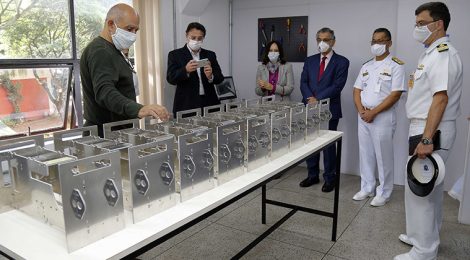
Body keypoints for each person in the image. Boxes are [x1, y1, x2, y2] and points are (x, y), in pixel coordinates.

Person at [394, 2, 463, 260]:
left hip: (431, 129)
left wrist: (426, 138)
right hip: (423, 126)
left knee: (422, 191)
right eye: (416, 23)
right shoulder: (430, 54)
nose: (417, 28)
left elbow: (440, 99)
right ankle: (419, 236)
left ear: (439, 24)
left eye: (421, 23)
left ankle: (424, 250)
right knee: (424, 188)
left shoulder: (443, 53)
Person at [80, 3, 169, 137]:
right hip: (104, 134)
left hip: (117, 130)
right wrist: (139, 109)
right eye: (129, 29)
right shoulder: (101, 51)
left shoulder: (114, 50)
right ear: (111, 24)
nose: (133, 35)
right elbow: (105, 92)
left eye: (136, 30)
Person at [352, 28, 406, 206]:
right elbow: (357, 90)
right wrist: (361, 111)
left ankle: (384, 192)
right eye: (374, 41)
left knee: (383, 156)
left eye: (381, 41)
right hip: (363, 115)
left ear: (389, 43)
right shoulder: (366, 66)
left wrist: (373, 112)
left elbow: (395, 94)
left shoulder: (396, 65)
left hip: (382, 117)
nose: (377, 45)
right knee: (365, 153)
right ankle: (367, 187)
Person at [299, 27, 350, 192]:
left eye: (326, 39)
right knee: (311, 143)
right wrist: (309, 99)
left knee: (328, 145)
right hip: (309, 107)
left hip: (329, 108)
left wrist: (317, 99)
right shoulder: (310, 60)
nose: (323, 43)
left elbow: (337, 86)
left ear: (333, 41)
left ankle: (330, 178)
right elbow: (303, 83)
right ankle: (312, 175)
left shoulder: (342, 62)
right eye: (319, 39)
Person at [167, 22, 224, 116]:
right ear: (187, 36)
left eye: (199, 38)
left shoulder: (210, 54)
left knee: (213, 130)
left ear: (203, 38)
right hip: (186, 104)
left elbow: (220, 78)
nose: (196, 41)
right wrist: (185, 70)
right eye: (193, 38)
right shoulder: (175, 55)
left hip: (209, 103)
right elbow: (171, 78)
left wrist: (211, 76)